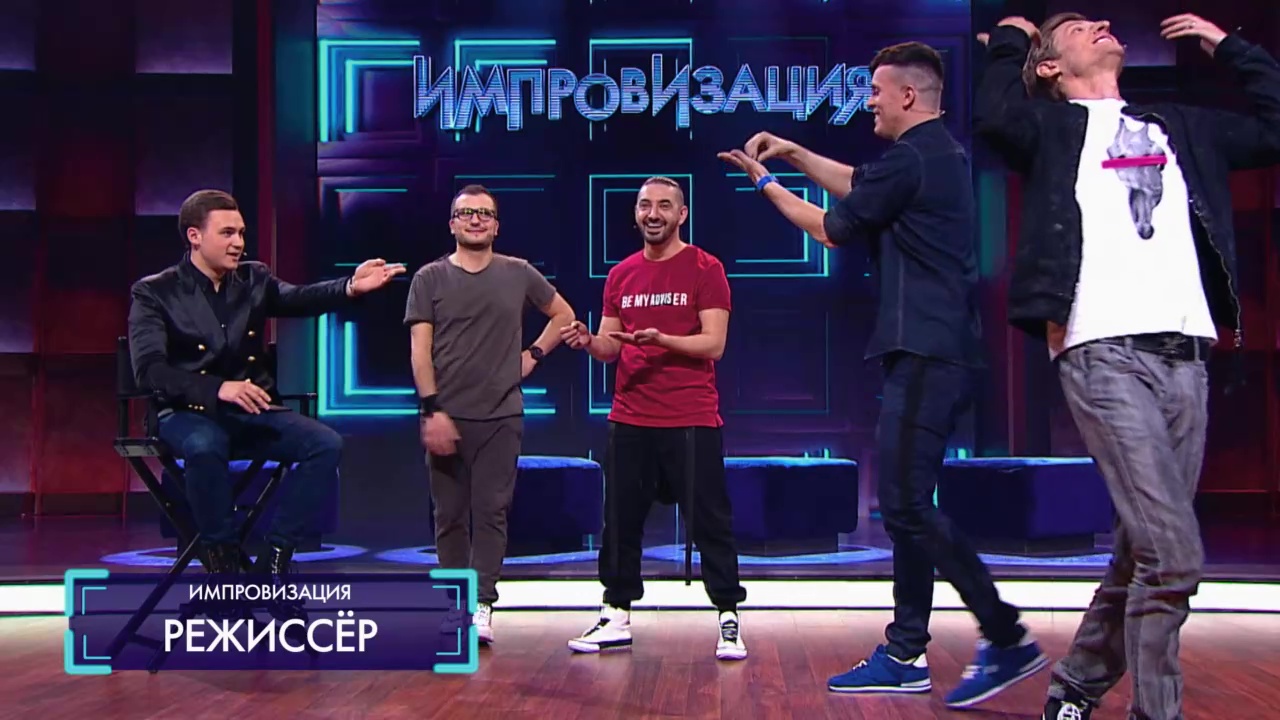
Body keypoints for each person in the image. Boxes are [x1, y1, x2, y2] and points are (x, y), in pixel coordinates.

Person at [975, 12, 1280, 720]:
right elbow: (994, 117)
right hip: (1102, 348)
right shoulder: (1050, 129)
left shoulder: (1181, 128)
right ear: (1051, 67)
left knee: (1144, 547)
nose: (1103, 24)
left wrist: (1230, 47)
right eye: (1079, 26)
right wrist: (1013, 39)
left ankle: (1078, 684)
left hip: (1186, 354)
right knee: (1173, 555)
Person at [719, 42, 1044, 706]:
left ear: (907, 96)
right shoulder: (928, 156)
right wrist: (795, 152)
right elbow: (861, 187)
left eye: (874, 89)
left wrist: (764, 181)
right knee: (907, 505)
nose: (866, 100)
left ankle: (1005, 634)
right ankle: (905, 651)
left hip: (927, 351)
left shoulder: (915, 156)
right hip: (933, 351)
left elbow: (829, 228)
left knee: (903, 504)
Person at [128, 189, 404, 581]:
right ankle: (222, 560)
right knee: (205, 445)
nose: (238, 242)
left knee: (324, 443)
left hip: (250, 411)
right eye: (227, 233)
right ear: (194, 236)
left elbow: (299, 298)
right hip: (186, 414)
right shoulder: (155, 291)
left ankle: (277, 553)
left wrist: (350, 287)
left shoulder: (253, 278)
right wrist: (218, 388)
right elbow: (151, 371)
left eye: (241, 233)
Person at [559, 176, 748, 661]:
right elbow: (610, 346)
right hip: (630, 417)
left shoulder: (706, 268)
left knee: (710, 522)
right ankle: (616, 613)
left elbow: (715, 344)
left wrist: (663, 341)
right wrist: (589, 342)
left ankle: (728, 617)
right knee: (620, 523)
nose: (653, 214)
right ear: (636, 213)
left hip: (691, 417)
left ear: (681, 214)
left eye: (664, 205)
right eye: (645, 205)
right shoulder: (621, 274)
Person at [404, 184, 575, 645]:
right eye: (467, 213)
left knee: (491, 513)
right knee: (449, 516)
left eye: (485, 213)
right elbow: (420, 351)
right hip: (447, 415)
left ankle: (482, 604)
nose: (476, 219)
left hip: (501, 416)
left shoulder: (518, 272)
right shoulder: (429, 278)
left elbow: (563, 315)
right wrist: (432, 409)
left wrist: (533, 354)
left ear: (496, 226)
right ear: (452, 224)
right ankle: (455, 605)